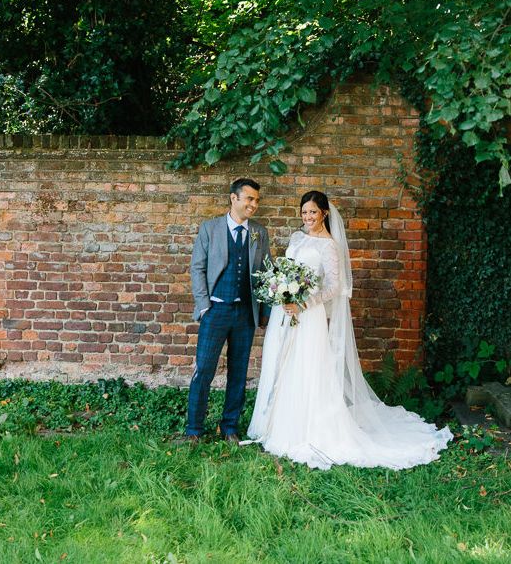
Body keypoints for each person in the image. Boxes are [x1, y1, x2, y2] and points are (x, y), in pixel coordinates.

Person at [243, 190, 452, 469]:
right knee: (282, 363)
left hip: (308, 315)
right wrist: (282, 293)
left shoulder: (329, 246)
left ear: (324, 214)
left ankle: (308, 431)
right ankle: (277, 424)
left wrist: (302, 303)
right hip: (286, 311)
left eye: (313, 212)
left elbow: (333, 287)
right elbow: (288, 270)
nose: (307, 217)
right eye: (304, 212)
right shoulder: (295, 238)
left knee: (307, 368)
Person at [185, 178, 272, 443]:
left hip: (246, 314)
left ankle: (230, 427)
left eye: (256, 200)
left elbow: (267, 273)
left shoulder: (259, 232)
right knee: (204, 371)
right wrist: (204, 307)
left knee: (239, 372)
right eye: (249, 199)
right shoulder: (210, 228)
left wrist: (265, 310)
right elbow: (197, 268)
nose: (254, 205)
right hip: (216, 311)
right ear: (234, 199)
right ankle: (194, 430)